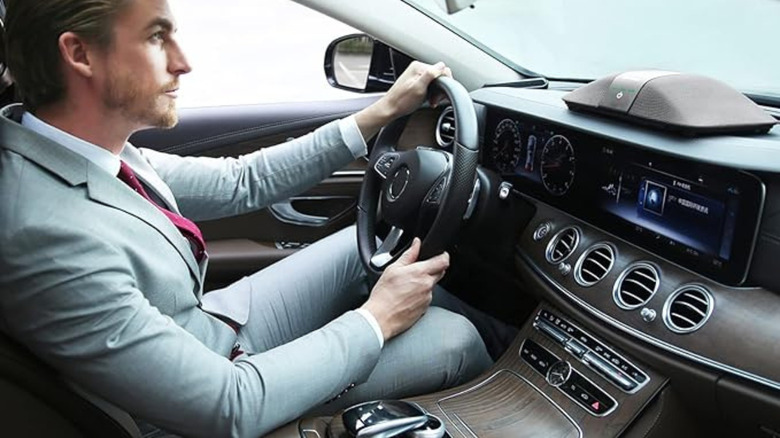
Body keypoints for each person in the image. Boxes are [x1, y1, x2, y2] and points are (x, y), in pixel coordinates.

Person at [0, 0, 501, 436]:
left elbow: (242, 181)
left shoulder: (77, 147)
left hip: (211, 328)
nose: (184, 62)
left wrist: (382, 112)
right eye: (157, 37)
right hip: (199, 408)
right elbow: (228, 407)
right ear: (79, 54)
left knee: (364, 249)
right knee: (454, 338)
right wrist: (376, 319)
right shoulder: (43, 233)